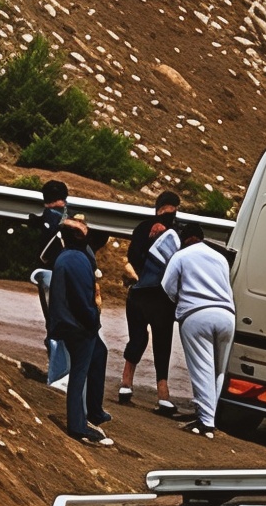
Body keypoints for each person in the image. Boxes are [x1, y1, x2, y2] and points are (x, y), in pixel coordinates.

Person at [162, 222, 235, 439]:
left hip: (197, 314)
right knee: (218, 370)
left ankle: (206, 423)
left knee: (202, 367)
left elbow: (167, 286)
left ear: (185, 239)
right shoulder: (220, 257)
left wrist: (181, 298)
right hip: (227, 316)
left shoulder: (182, 255)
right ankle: (209, 417)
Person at [49, 218, 113, 447]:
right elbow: (80, 300)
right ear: (79, 236)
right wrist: (93, 319)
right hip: (78, 326)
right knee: (79, 373)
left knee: (99, 353)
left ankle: (94, 412)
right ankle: (78, 425)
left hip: (70, 323)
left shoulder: (67, 257)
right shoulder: (77, 259)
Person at [120, 190, 182, 412]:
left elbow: (133, 257)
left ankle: (126, 383)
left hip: (137, 294)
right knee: (162, 343)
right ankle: (163, 394)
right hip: (161, 298)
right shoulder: (177, 233)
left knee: (137, 338)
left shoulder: (141, 228)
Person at [23, 179, 71, 385]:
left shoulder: (47, 219)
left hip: (49, 275)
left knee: (54, 323)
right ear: (64, 198)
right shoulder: (72, 218)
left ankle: (58, 374)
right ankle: (65, 373)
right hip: (72, 277)